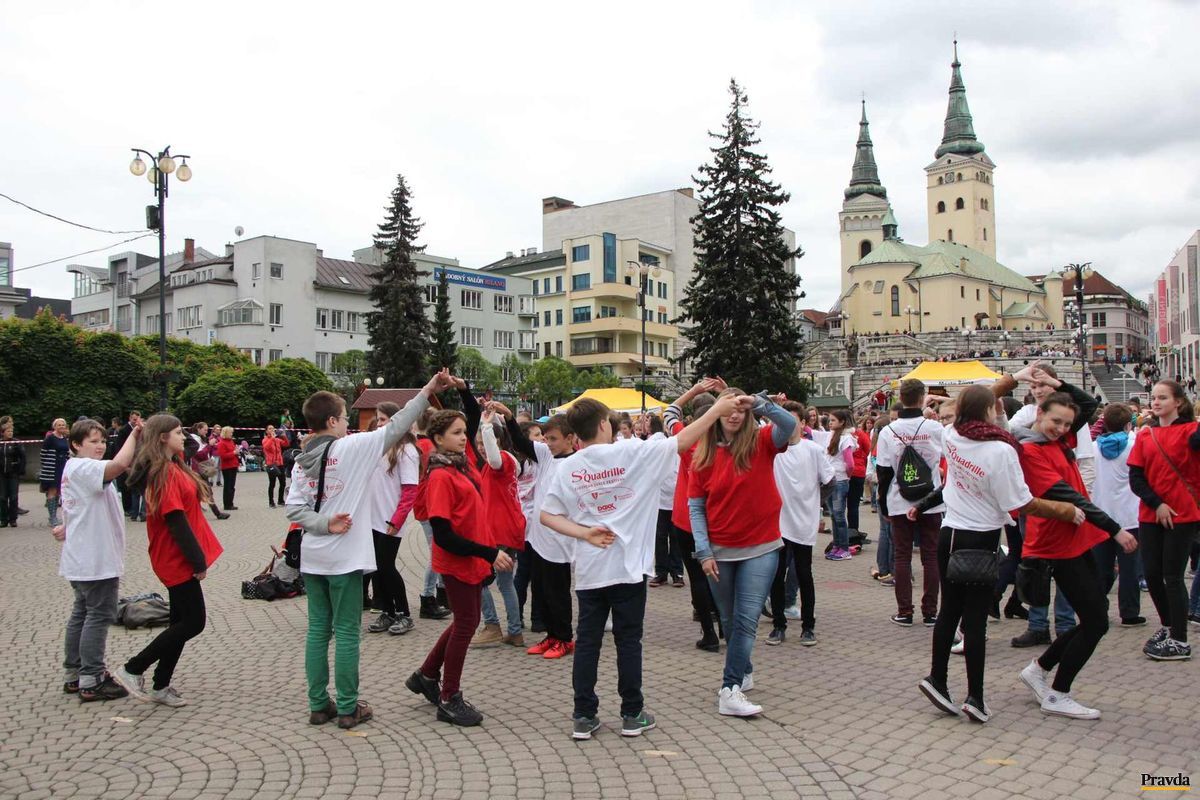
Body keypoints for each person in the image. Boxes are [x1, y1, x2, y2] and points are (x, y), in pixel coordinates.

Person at [540, 394, 736, 739]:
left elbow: (546, 516)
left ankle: (583, 716)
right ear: (604, 425)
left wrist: (585, 533)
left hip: (590, 572)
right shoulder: (632, 452)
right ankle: (632, 713)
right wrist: (718, 410)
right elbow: (682, 440)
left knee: (587, 643)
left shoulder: (567, 466)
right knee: (629, 641)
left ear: (575, 432)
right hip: (628, 570)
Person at [287, 370, 453, 730]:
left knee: (318, 630)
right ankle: (348, 707)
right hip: (344, 557)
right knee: (346, 632)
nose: (348, 423)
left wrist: (322, 523)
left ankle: (318, 705)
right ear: (331, 420)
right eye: (345, 417)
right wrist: (427, 389)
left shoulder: (302, 460)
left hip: (314, 558)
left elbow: (295, 510)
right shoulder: (352, 448)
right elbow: (398, 426)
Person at [910, 385, 1081, 723]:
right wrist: (1066, 510)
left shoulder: (952, 435)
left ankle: (938, 679)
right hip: (979, 539)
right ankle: (975, 696)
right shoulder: (1001, 451)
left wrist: (1008, 381)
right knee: (974, 622)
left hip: (950, 533)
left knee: (949, 612)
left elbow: (976, 402)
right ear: (989, 411)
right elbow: (1022, 502)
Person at [1011, 374, 1136, 719]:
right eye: (1055, 421)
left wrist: (1056, 380)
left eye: (1067, 424)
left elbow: (1089, 405)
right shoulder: (1032, 450)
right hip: (1056, 545)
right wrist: (1115, 530)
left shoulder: (1056, 441)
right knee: (1096, 621)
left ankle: (1039, 669)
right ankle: (1057, 693)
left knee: (1094, 617)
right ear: (1038, 415)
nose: (1062, 428)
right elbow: (1070, 497)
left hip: (1077, 540)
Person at [689, 389, 797, 717]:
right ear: (716, 415)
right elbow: (696, 507)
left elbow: (789, 424)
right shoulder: (702, 456)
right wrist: (703, 551)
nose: (734, 416)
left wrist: (760, 404)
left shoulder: (763, 441)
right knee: (729, 619)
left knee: (747, 619)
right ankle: (743, 668)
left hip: (761, 546)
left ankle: (730, 688)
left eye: (740, 410)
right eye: (728, 410)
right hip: (719, 551)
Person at [404, 408, 515, 727]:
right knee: (466, 624)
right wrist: (488, 553)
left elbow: (474, 515)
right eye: (455, 432)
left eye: (464, 431)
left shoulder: (460, 464)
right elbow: (443, 535)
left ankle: (426, 675)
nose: (463, 437)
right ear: (437, 439)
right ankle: (449, 697)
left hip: (473, 559)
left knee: (466, 621)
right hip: (457, 562)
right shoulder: (440, 475)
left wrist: (486, 552)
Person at [111, 415, 224, 708]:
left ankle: (160, 684)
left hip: (179, 554)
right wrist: (197, 561)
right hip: (176, 556)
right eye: (176, 432)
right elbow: (175, 520)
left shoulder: (174, 466)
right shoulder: (163, 472)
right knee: (193, 622)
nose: (182, 436)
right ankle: (133, 668)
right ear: (162, 437)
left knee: (179, 621)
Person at [56, 418, 142, 701]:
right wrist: (136, 433)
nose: (100, 446)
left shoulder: (76, 468)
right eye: (93, 441)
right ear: (76, 445)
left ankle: (75, 673)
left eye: (103, 441)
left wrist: (66, 526)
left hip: (83, 556)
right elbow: (118, 466)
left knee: (81, 613)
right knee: (98, 615)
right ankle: (91, 678)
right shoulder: (84, 467)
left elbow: (76, 507)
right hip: (94, 559)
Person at [1127, 380, 1200, 661]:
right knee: (1153, 574)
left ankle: (1180, 639)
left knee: (1172, 575)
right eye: (1154, 398)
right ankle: (1169, 626)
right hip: (1150, 513)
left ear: (1178, 402)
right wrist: (1157, 504)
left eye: (1163, 398)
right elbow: (1136, 477)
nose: (1156, 402)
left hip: (1183, 514)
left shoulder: (1191, 432)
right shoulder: (1145, 436)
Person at [508, 414, 578, 660]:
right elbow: (520, 441)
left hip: (560, 541)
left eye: (554, 439)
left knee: (558, 592)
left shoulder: (577, 462)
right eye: (546, 438)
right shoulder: (547, 456)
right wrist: (508, 417)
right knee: (541, 590)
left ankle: (565, 638)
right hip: (538, 538)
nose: (548, 443)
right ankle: (551, 635)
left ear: (570, 438)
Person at [877, 379, 945, 627]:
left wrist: (883, 505)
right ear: (922, 397)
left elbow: (883, 472)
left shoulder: (888, 431)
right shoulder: (934, 428)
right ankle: (931, 612)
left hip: (898, 499)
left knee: (902, 556)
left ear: (900, 397)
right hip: (931, 499)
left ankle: (905, 611)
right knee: (931, 556)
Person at [663, 381, 726, 651]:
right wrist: (727, 392)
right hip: (720, 517)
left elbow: (669, 413)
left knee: (697, 577)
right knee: (723, 574)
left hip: (686, 517)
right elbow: (748, 417)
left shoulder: (685, 437)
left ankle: (708, 633)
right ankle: (726, 625)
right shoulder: (727, 443)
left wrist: (694, 390)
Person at [767, 402, 833, 647]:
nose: (787, 425)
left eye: (793, 420)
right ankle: (778, 625)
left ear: (804, 424)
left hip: (804, 522)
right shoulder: (774, 449)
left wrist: (814, 503)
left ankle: (808, 626)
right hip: (777, 523)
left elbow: (830, 481)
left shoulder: (813, 450)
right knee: (775, 574)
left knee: (805, 574)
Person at [471, 402, 528, 648]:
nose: (483, 449)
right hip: (503, 529)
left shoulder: (502, 460)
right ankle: (514, 631)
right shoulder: (503, 462)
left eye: (486, 443)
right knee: (505, 583)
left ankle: (492, 625)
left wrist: (485, 424)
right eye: (480, 445)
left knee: (479, 578)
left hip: (501, 532)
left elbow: (494, 458)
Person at [366, 402, 420, 636]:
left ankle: (404, 614)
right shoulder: (378, 447)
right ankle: (387, 611)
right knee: (377, 568)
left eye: (382, 419)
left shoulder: (406, 450)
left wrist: (396, 520)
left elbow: (410, 491)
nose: (378, 424)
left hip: (390, 521)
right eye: (377, 419)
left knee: (386, 566)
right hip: (371, 519)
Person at [1091, 404, 1146, 627]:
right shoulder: (1135, 446)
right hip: (1130, 515)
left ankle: (1096, 608)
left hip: (1101, 515)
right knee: (1130, 569)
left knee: (1101, 569)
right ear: (1127, 424)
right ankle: (1129, 612)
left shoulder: (1094, 448)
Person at [647, 415, 684, 588]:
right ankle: (662, 572)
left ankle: (676, 572)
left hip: (675, 498)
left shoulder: (675, 445)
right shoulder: (654, 444)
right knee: (661, 537)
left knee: (673, 537)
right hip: (661, 499)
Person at [823, 410, 857, 561]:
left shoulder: (846, 438)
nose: (830, 423)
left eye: (833, 420)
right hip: (830, 479)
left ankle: (844, 548)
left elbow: (850, 463)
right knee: (833, 515)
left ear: (842, 422)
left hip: (840, 480)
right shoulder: (830, 435)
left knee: (839, 515)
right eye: (829, 420)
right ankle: (836, 545)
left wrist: (847, 476)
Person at [40, 417, 71, 527]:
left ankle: (55, 516)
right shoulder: (50, 438)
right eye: (59, 425)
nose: (62, 426)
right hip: (52, 468)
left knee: (59, 491)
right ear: (54, 426)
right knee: (52, 491)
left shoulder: (64, 438)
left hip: (62, 467)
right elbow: (43, 453)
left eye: (63, 424)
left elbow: (67, 452)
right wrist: (47, 465)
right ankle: (52, 517)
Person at [113, 412, 142, 520]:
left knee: (133, 488)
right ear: (130, 418)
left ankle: (132, 510)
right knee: (126, 487)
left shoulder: (139, 429)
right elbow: (119, 447)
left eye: (137, 419)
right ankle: (128, 509)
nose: (135, 421)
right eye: (134, 419)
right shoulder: (124, 430)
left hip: (136, 461)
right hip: (127, 460)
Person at [0, 416, 25, 527]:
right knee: (2, 497)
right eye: (8, 431)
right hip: (2, 474)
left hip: (13, 474)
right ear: (3, 433)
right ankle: (3, 519)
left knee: (14, 497)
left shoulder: (16, 443)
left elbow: (23, 457)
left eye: (11, 431)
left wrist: (20, 470)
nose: (10, 433)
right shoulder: (1, 444)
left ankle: (13, 519)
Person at [262, 424, 286, 508]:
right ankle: (271, 502)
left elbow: (286, 444)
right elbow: (266, 447)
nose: (272, 430)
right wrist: (272, 438)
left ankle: (280, 500)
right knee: (272, 484)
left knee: (283, 483)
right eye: (270, 429)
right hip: (271, 464)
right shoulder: (265, 440)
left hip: (280, 463)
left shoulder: (277, 440)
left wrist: (284, 436)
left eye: (273, 428)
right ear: (266, 431)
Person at [216, 426, 239, 511]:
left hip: (233, 465)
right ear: (226, 433)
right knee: (228, 486)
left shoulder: (231, 441)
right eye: (231, 432)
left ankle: (231, 503)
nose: (232, 434)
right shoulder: (222, 443)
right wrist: (233, 453)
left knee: (232, 486)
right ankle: (227, 504)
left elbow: (233, 452)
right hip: (227, 467)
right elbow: (223, 456)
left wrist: (236, 453)